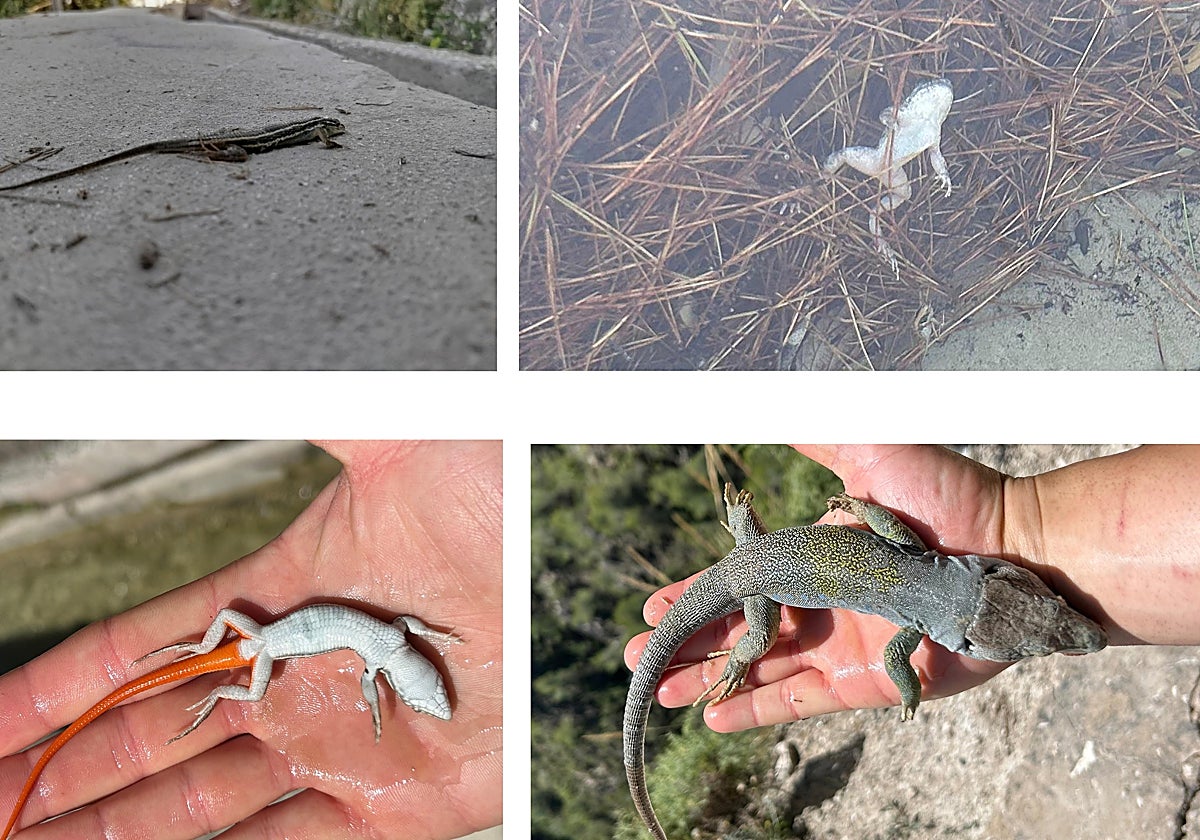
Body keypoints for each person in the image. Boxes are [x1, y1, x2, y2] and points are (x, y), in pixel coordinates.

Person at [0, 440, 502, 839]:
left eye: (426, 696)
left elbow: (404, 637)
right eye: (427, 693)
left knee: (188, 672)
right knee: (241, 688)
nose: (431, 697)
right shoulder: (379, 662)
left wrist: (427, 641)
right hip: (258, 647)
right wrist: (376, 707)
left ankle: (207, 669)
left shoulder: (394, 638)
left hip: (261, 639)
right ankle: (214, 685)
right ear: (410, 670)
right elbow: (373, 682)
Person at [625, 443, 1200, 733]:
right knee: (761, 636)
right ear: (991, 572)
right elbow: (894, 653)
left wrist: (908, 691)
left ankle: (742, 547)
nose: (1061, 616)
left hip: (758, 562)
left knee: (765, 628)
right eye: (1048, 609)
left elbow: (890, 536)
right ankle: (739, 657)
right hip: (753, 578)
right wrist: (902, 689)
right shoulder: (905, 615)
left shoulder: (914, 570)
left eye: (1049, 606)